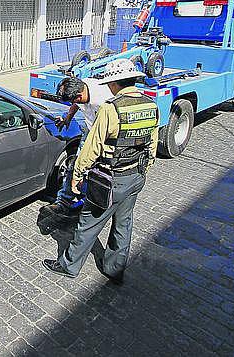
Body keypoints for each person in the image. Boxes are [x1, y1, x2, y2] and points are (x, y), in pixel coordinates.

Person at [42, 59, 159, 283]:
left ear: (114, 83)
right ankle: (114, 269)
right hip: (136, 176)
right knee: (123, 224)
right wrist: (144, 168)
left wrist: (77, 176)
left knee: (88, 222)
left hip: (111, 179)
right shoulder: (149, 105)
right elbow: (151, 143)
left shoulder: (111, 108)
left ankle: (69, 265)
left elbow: (91, 147)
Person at [43, 75, 114, 218]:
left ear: (79, 95)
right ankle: (64, 200)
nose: (72, 103)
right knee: (75, 165)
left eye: (72, 100)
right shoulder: (82, 86)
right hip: (90, 130)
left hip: (104, 135)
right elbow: (76, 104)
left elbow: (109, 128)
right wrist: (68, 117)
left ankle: (92, 200)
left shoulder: (103, 101)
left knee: (95, 170)